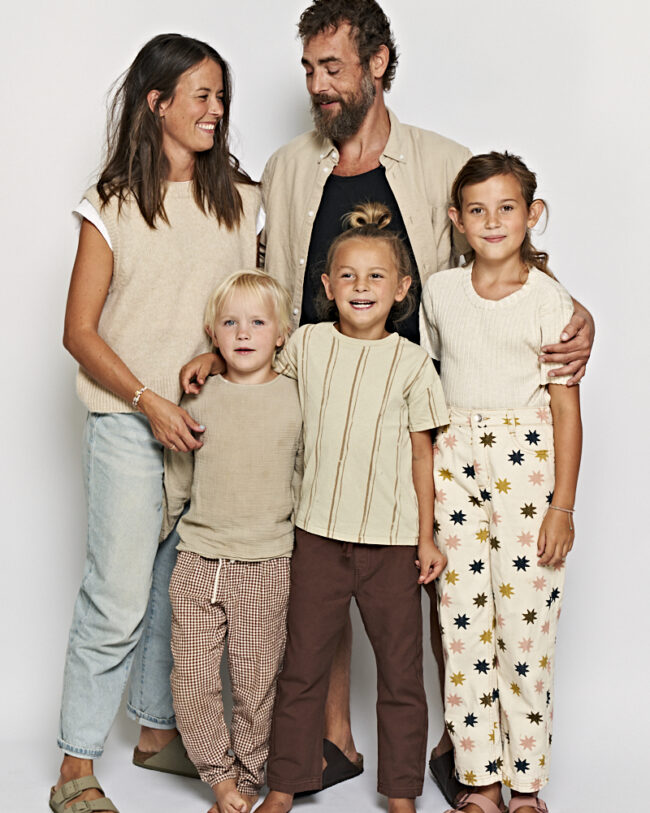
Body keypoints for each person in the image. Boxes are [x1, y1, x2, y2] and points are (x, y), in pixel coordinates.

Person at [182, 0, 595, 805]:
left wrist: (578, 315)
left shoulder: (441, 161)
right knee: (321, 566)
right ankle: (333, 736)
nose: (318, 84)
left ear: (377, 64)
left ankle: (461, 748)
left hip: (428, 409)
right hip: (319, 391)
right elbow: (260, 276)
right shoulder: (288, 167)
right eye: (309, 69)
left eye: (333, 67)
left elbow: (507, 256)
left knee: (444, 582)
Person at [50, 34, 261, 813]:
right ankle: (74, 765)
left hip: (210, 428)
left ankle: (154, 731)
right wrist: (148, 400)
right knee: (116, 595)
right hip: (128, 423)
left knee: (181, 591)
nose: (215, 110)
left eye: (221, 96)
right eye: (201, 95)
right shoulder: (109, 205)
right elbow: (78, 332)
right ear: (157, 102)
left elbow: (255, 306)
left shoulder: (244, 200)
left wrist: (212, 356)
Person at [256, 201, 449, 813]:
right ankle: (284, 783)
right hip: (317, 536)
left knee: (401, 674)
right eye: (348, 275)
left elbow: (422, 455)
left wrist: (426, 537)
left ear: (402, 289)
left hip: (392, 543)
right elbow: (259, 382)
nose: (361, 287)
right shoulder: (307, 346)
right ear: (326, 285)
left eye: (375, 277)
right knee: (302, 666)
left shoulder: (412, 363)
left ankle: (401, 791)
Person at [420, 152, 582, 813]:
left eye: (507, 208)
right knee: (463, 630)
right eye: (478, 210)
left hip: (527, 477)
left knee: (525, 631)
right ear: (457, 219)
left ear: (531, 214)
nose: (493, 221)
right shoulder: (439, 292)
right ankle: (479, 780)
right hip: (455, 469)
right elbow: (428, 389)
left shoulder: (549, 300)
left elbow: (567, 411)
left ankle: (526, 786)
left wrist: (562, 507)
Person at [163, 271, 302, 813]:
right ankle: (218, 777)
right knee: (192, 681)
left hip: (266, 563)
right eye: (230, 323)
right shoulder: (198, 398)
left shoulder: (295, 398)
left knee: (256, 685)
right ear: (212, 334)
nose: (243, 333)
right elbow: (178, 476)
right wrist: (161, 529)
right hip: (198, 561)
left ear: (282, 333)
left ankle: (247, 779)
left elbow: (303, 476)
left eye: (258, 322)